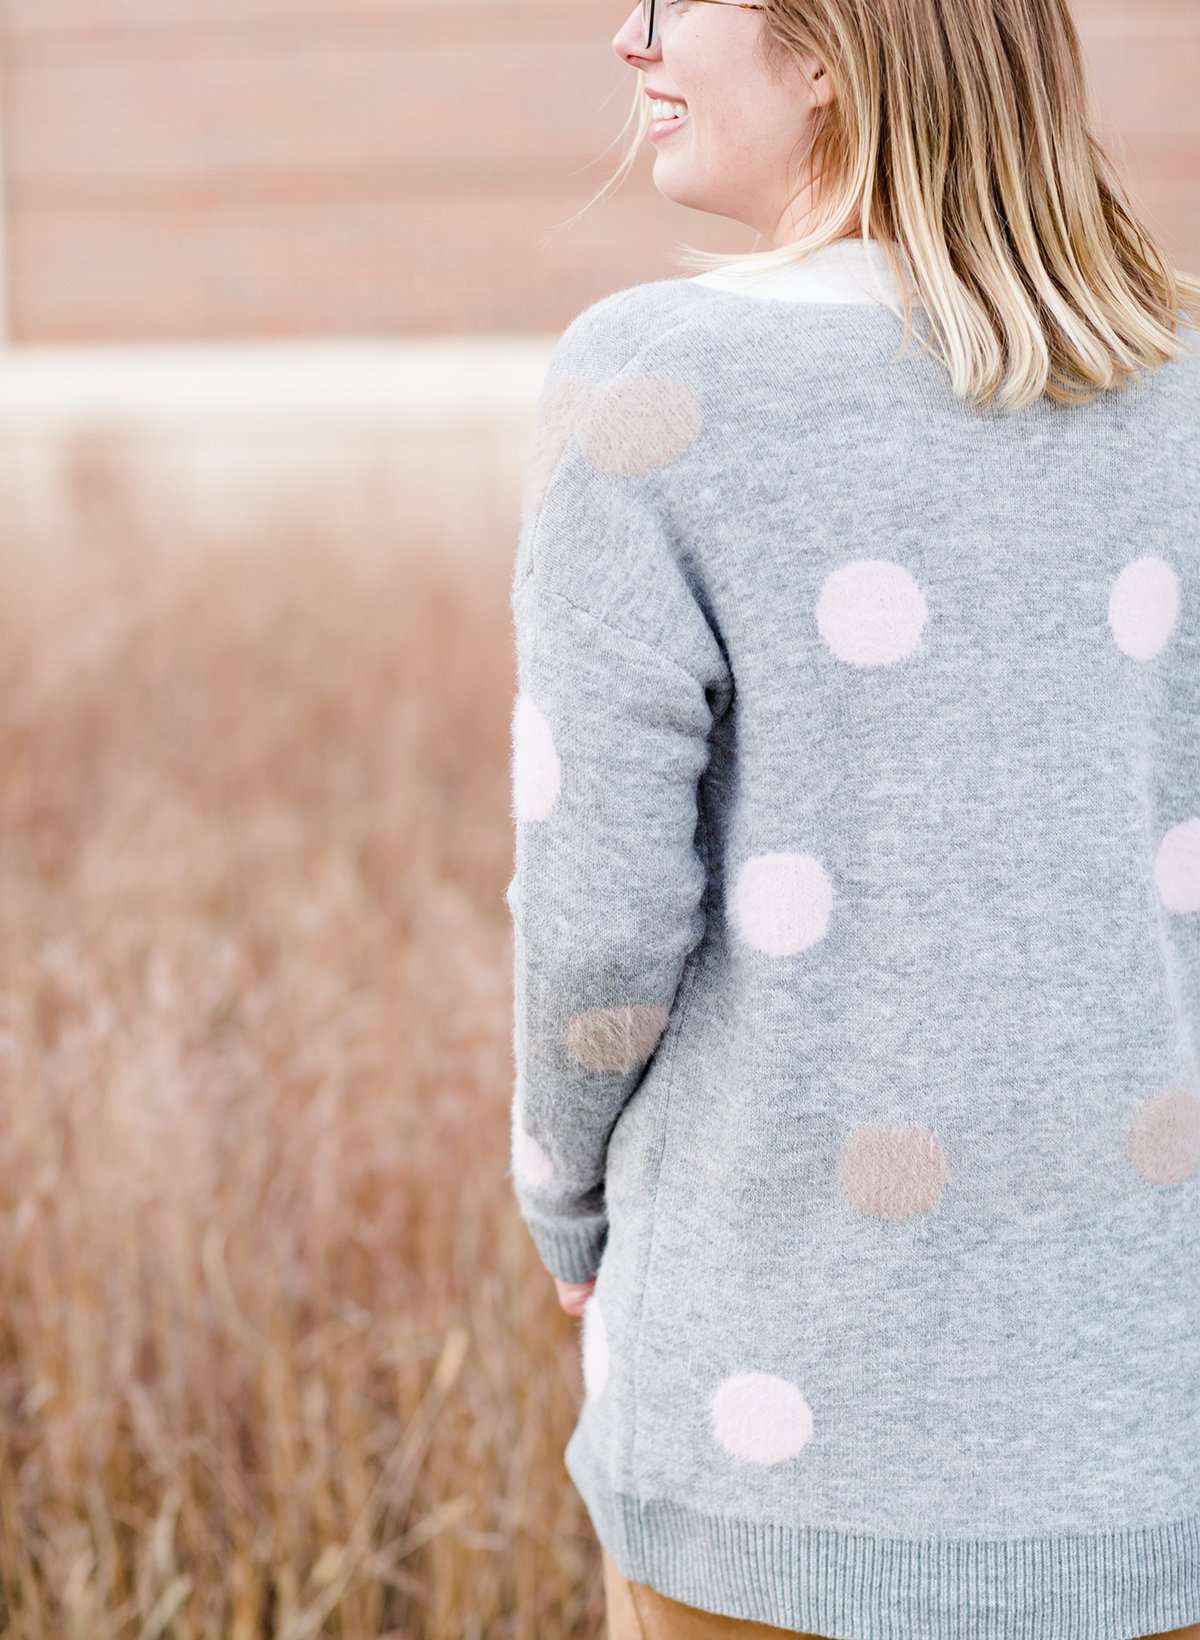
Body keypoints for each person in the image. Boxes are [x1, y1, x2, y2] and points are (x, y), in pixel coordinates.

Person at [504, 0, 1200, 1634]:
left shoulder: (656, 378)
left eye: (677, 2)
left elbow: (600, 912)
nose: (629, 37)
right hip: (1148, 1411)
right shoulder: (1176, 390)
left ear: (832, 42)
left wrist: (565, 1195)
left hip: (779, 1415)